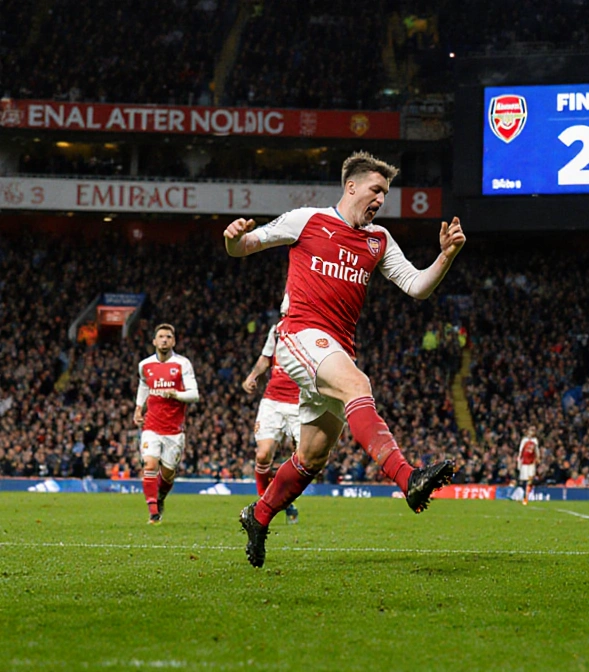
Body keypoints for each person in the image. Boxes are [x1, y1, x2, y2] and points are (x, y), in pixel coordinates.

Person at [223, 151, 464, 567]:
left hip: (337, 349)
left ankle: (258, 516)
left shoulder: (379, 240)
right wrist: (232, 237)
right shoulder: (308, 220)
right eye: (376, 190)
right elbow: (244, 246)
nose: (380, 200)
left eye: (385, 194)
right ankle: (410, 479)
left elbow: (417, 287)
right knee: (358, 385)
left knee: (312, 458)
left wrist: (446, 256)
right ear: (351, 186)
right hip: (300, 335)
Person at [133, 324, 199, 524]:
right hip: (151, 425)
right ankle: (153, 512)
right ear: (154, 341)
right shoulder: (145, 365)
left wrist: (175, 394)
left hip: (173, 430)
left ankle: (160, 498)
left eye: (168, 337)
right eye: (160, 336)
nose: (164, 340)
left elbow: (194, 395)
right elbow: (143, 385)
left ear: (174, 341)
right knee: (150, 464)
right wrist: (138, 408)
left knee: (168, 474)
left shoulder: (182, 364)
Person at [242, 319, 301, 524]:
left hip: (301, 402)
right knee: (263, 454)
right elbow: (265, 358)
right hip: (272, 401)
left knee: (304, 459)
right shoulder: (277, 330)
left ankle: (284, 499)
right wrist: (252, 376)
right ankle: (264, 501)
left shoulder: (315, 327)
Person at [517, 428, 539, 505]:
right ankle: (523, 495)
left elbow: (536, 451)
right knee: (524, 480)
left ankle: (526, 497)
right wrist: (519, 462)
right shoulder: (524, 440)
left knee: (530, 479)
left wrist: (537, 459)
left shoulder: (535, 441)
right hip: (524, 463)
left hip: (531, 463)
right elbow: (520, 451)